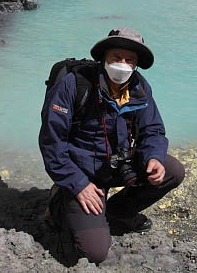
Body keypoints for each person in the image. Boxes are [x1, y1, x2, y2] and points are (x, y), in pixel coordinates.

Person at [39, 28, 185, 264]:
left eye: (130, 59)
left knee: (172, 170)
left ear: (136, 64)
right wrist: (78, 185)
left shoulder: (139, 86)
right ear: (104, 57)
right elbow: (51, 143)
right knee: (94, 253)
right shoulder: (74, 85)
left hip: (118, 165)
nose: (122, 64)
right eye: (116, 56)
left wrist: (153, 158)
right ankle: (59, 201)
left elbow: (153, 130)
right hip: (83, 175)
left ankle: (118, 211)